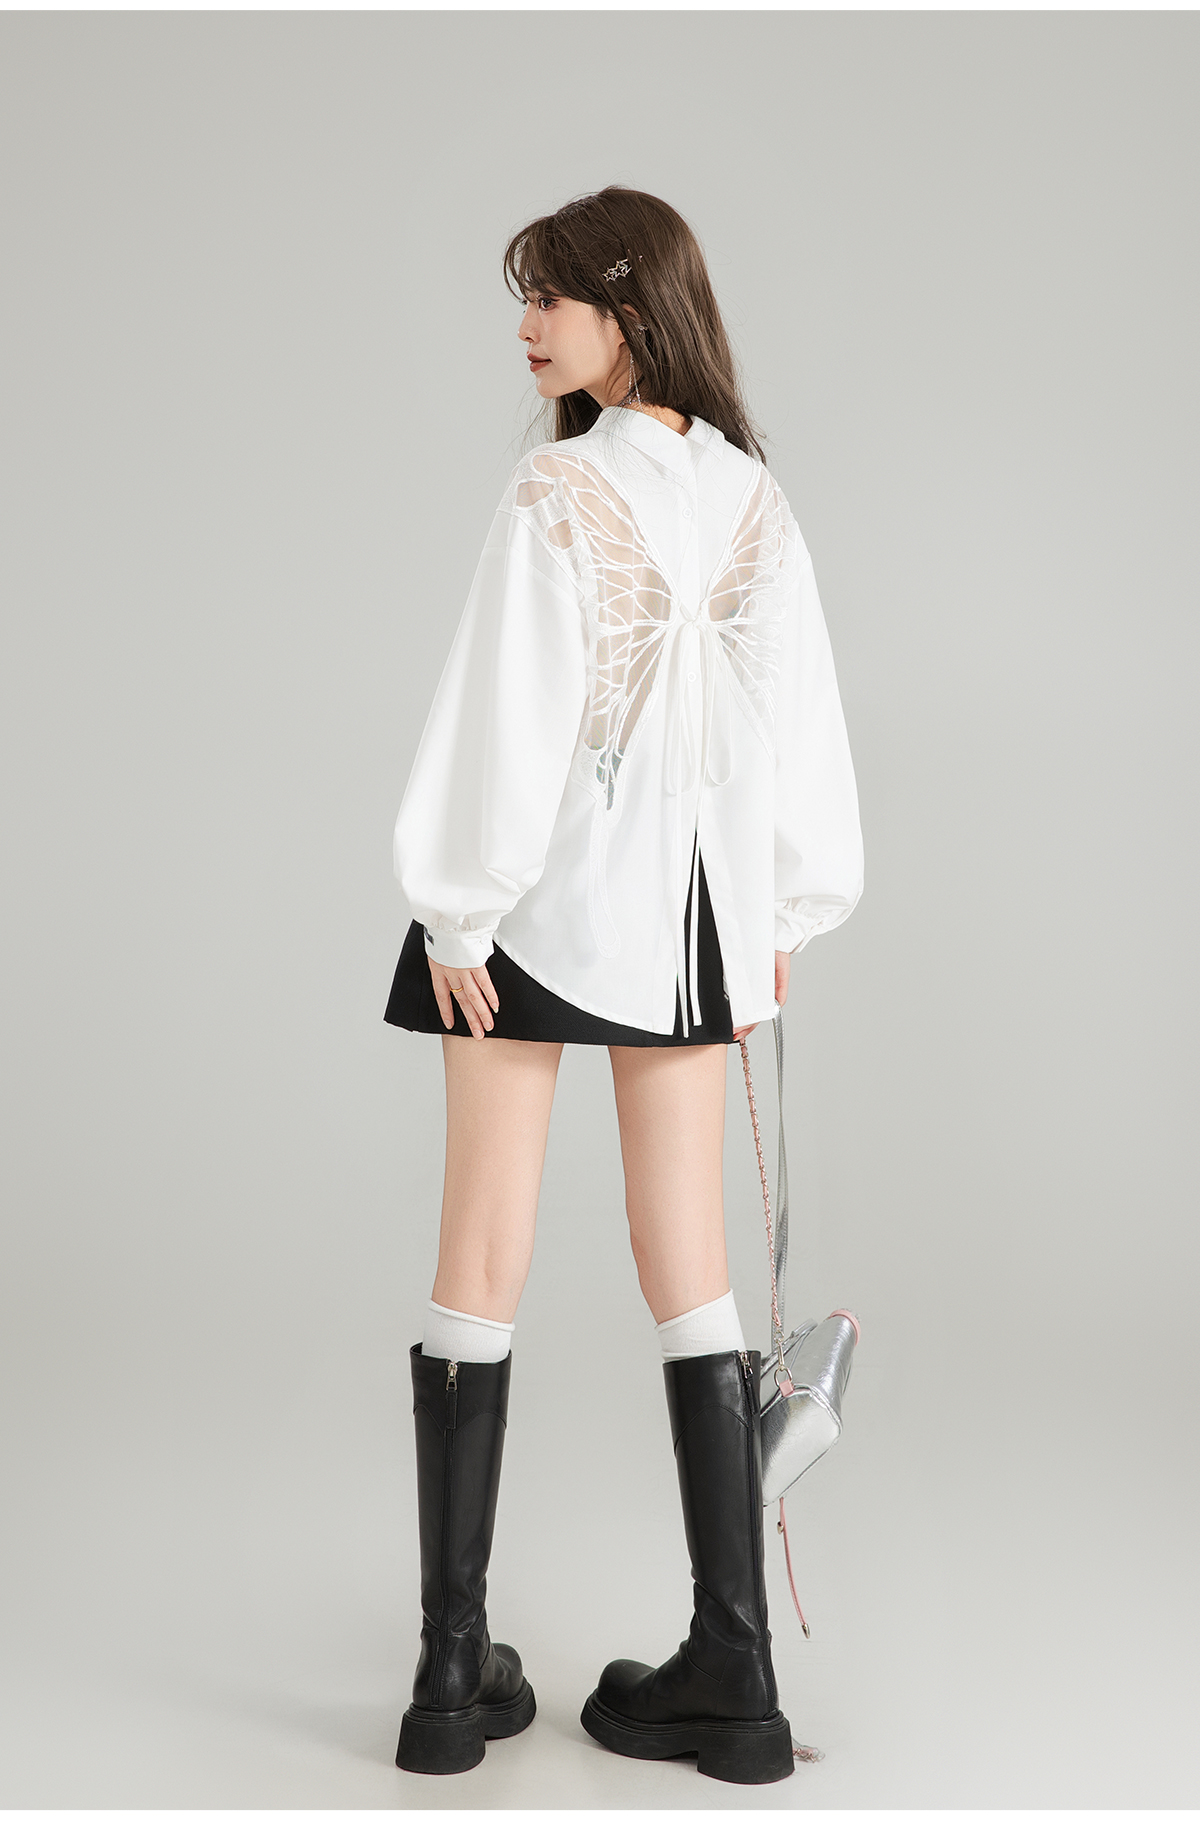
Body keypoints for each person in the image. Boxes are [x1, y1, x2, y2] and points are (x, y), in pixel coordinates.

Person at [383, 184, 864, 1784]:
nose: (526, 327)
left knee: (481, 1246)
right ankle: (737, 1669)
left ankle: (452, 1668)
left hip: (533, 913)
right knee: (693, 1263)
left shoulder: (558, 488)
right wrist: (781, 905)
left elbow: (508, 713)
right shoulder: (754, 499)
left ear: (629, 311)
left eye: (550, 298)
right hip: (696, 924)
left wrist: (458, 913)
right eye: (525, 299)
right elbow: (800, 726)